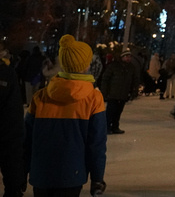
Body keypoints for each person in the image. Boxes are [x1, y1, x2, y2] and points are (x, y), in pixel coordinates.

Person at [24, 34, 107, 197]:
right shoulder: (93, 98)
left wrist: (20, 172)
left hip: (41, 174)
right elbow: (96, 143)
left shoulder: (41, 97)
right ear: (85, 65)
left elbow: (26, 140)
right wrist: (97, 177)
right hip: (72, 174)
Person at [1, 45, 26, 197]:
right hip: (8, 135)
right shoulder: (7, 72)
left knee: (12, 182)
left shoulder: (6, 72)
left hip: (7, 134)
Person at [97, 49, 137, 135]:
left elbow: (134, 80)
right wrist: (105, 92)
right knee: (110, 112)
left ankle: (115, 126)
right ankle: (106, 127)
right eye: (126, 57)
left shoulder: (131, 68)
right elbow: (105, 79)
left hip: (123, 93)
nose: (128, 58)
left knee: (118, 111)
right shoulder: (113, 66)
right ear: (122, 57)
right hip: (113, 93)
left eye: (129, 57)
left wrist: (133, 91)